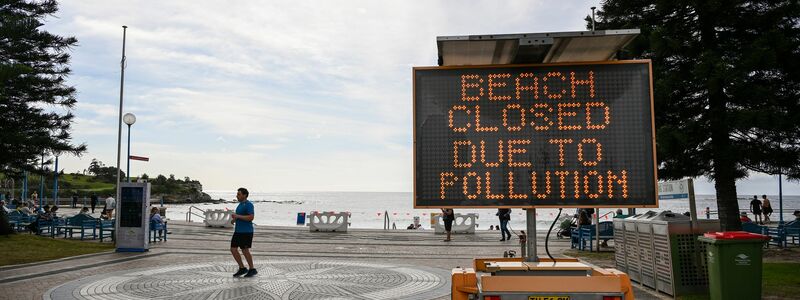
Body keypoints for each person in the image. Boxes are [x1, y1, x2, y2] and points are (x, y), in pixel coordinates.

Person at [230, 188, 257, 277]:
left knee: (245, 250)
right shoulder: (240, 205)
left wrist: (237, 216)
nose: (237, 196)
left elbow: (251, 217)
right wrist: (234, 219)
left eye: (239, 194)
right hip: (238, 231)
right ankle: (242, 268)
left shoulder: (249, 205)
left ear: (244, 195)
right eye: (237, 194)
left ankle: (252, 269)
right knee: (233, 249)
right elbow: (241, 216)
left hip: (246, 231)